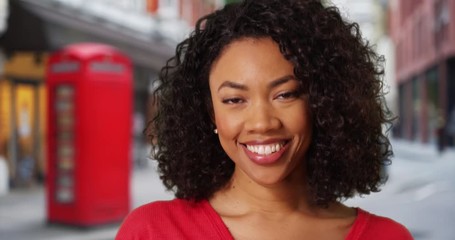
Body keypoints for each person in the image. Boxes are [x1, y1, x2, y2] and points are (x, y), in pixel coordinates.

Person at [116, 0, 413, 239]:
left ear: (323, 103)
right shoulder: (152, 231)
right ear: (210, 114)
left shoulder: (387, 236)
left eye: (285, 94)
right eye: (234, 100)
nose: (262, 123)